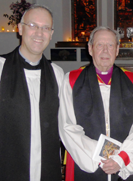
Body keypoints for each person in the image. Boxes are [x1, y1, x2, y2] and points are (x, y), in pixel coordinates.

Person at [59, 26, 133, 181]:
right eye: (100, 45)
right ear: (90, 49)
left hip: (123, 165)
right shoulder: (72, 80)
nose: (105, 50)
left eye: (111, 45)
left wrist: (121, 159)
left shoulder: (132, 81)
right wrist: (104, 156)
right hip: (86, 161)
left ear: (117, 49)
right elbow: (67, 127)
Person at [0, 4, 64, 181]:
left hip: (47, 167)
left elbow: (66, 125)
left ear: (51, 34)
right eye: (33, 26)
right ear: (20, 29)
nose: (39, 33)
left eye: (45, 28)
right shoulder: (1, 68)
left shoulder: (57, 74)